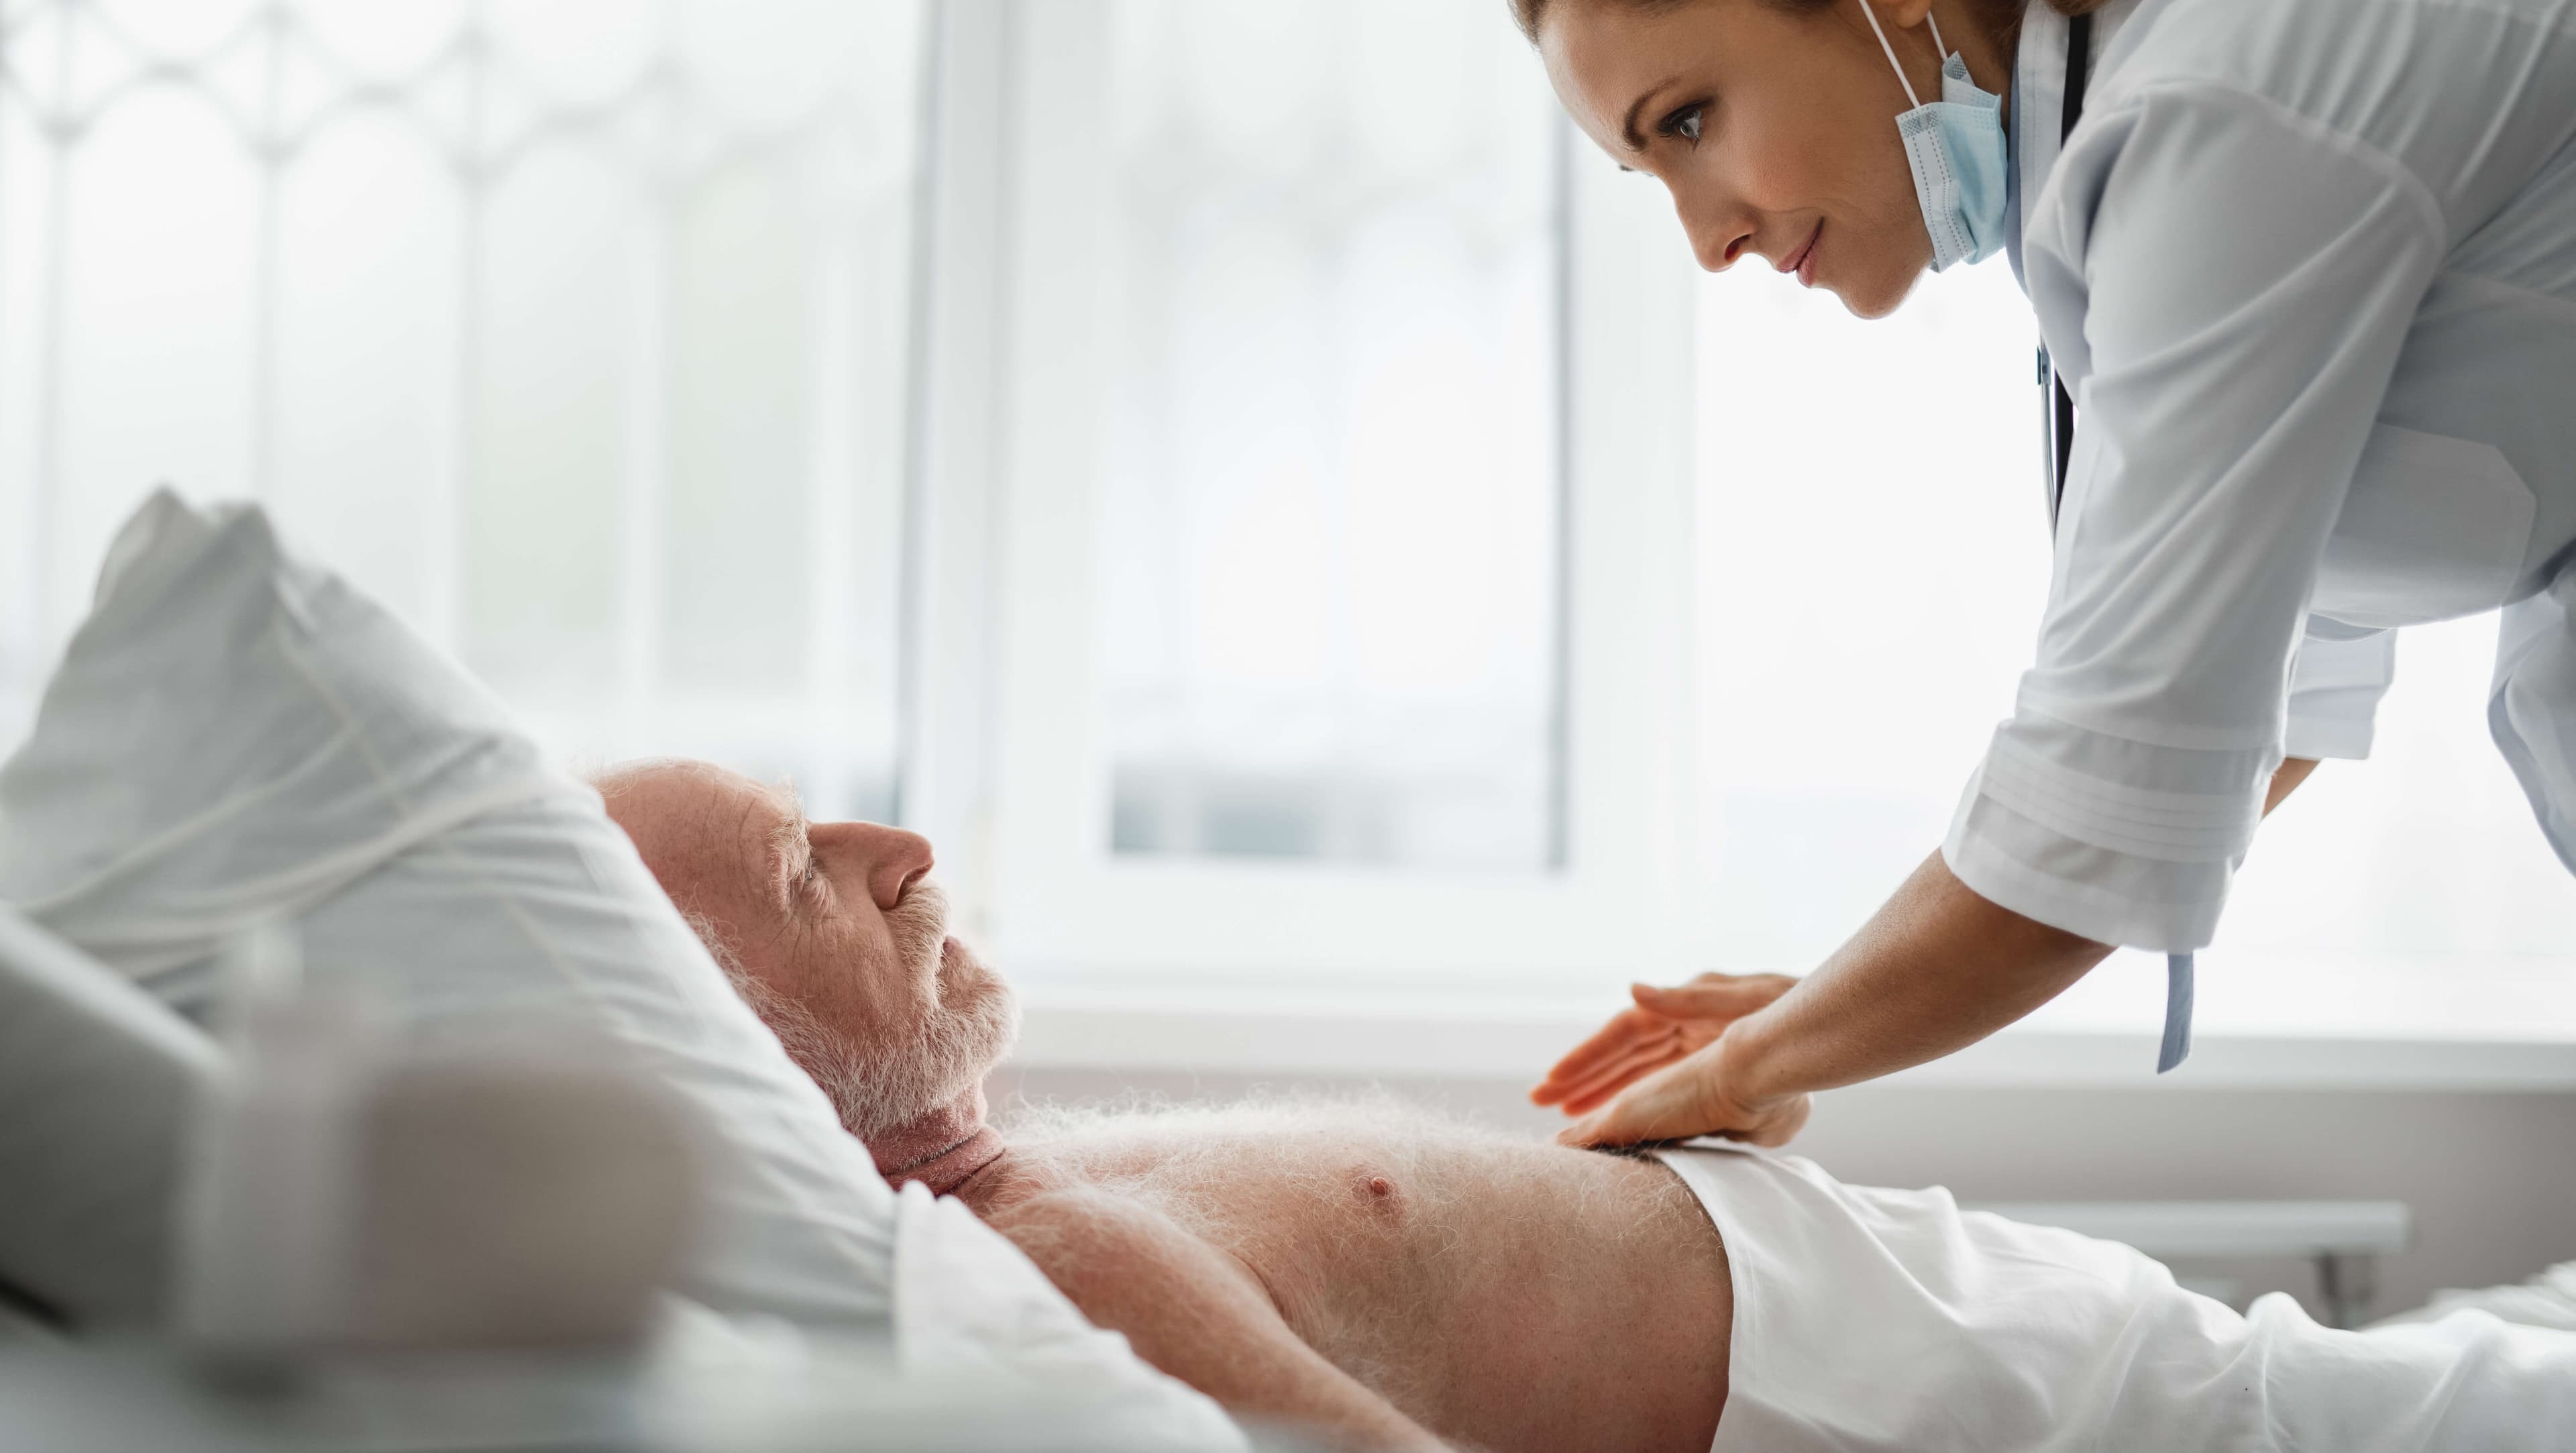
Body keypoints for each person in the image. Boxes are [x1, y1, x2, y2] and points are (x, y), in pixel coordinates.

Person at [1511, 0, 2576, 1150]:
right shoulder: (2129, 174)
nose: (1707, 238)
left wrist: (1746, 1070)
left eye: (1691, 120)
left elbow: (2118, 779)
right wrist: (1821, 1010)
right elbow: (2250, 691)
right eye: (1651, 170)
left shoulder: (2210, 113)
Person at [596, 758, 2576, 1453]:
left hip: (1970, 1318)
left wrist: (1721, 1122)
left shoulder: (1023, 1189)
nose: (899, 848)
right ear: (716, 1036)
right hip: (2023, 1396)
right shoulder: (1043, 1266)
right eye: (799, 870)